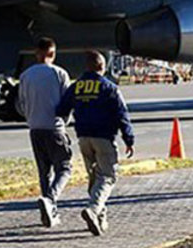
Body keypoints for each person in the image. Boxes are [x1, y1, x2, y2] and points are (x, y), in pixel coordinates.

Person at [57, 50, 135, 236]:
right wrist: (129, 139)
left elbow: (61, 109)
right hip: (103, 137)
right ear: (102, 66)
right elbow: (122, 115)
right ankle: (93, 209)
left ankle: (100, 218)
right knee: (107, 177)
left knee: (94, 177)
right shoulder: (109, 87)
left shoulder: (77, 86)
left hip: (84, 138)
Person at [18, 37, 72, 228]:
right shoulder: (59, 73)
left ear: (36, 53)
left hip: (35, 128)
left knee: (44, 172)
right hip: (54, 127)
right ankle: (50, 199)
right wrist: (65, 121)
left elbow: (21, 103)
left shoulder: (25, 76)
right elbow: (67, 102)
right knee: (64, 168)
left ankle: (49, 210)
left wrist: (31, 117)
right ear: (53, 53)